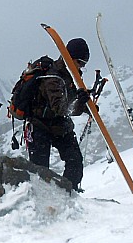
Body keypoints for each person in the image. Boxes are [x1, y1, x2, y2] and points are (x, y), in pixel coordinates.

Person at [26, 37, 91, 191]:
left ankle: (68, 195)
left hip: (60, 126)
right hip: (40, 126)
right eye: (80, 62)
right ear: (71, 59)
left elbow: (69, 104)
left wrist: (88, 106)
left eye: (84, 64)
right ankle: (40, 201)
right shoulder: (52, 77)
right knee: (40, 171)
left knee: (75, 161)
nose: (81, 67)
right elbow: (61, 108)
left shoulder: (72, 77)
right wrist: (80, 104)